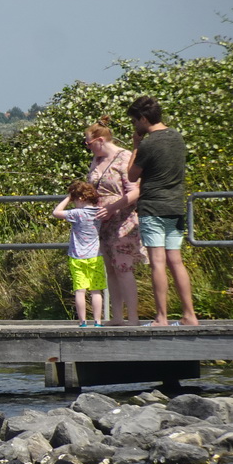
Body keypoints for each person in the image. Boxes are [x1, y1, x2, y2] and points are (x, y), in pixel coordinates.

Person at [127, 95, 199, 326]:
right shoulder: (177, 137)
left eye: (135, 121)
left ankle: (161, 317)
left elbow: (131, 175)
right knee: (176, 261)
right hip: (175, 206)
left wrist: (136, 146)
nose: (135, 126)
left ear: (144, 118)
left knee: (157, 262)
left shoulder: (149, 143)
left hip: (153, 207)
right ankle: (190, 315)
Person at [85, 117, 147, 325]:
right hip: (102, 223)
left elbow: (136, 190)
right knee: (111, 269)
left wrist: (113, 207)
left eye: (89, 143)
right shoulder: (97, 161)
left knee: (123, 267)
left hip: (123, 219)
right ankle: (117, 316)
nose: (88, 147)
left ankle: (133, 317)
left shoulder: (124, 157)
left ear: (100, 140)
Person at [53, 181, 106, 327]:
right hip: (96, 256)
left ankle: (83, 322)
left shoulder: (77, 213)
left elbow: (56, 212)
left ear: (80, 198)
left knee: (80, 291)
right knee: (96, 291)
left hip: (77, 257)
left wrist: (67, 198)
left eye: (74, 199)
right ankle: (97, 321)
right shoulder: (99, 211)